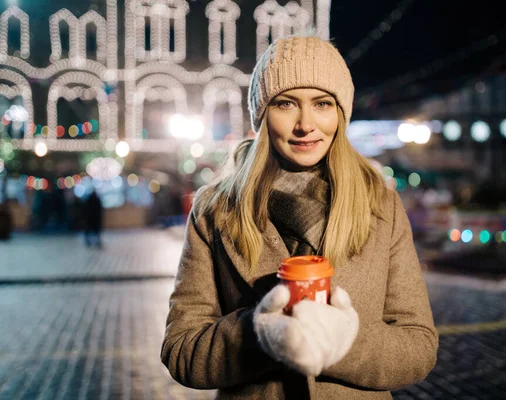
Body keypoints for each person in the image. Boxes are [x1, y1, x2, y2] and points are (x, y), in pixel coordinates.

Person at [161, 35, 438, 399]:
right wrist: (260, 335)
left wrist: (342, 341)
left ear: (339, 114)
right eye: (286, 103)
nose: (306, 124)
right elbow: (182, 350)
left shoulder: (381, 205)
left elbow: (418, 346)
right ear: (262, 114)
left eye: (322, 103)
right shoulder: (214, 209)